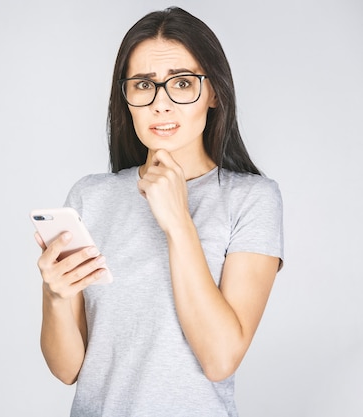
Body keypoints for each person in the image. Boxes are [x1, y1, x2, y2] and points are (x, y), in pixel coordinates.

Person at [34, 6, 284, 417]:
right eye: (144, 85)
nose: (160, 105)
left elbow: (220, 359)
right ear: (126, 97)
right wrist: (56, 296)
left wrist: (178, 223)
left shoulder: (251, 199)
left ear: (214, 92)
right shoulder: (90, 197)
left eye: (182, 83)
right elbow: (68, 369)